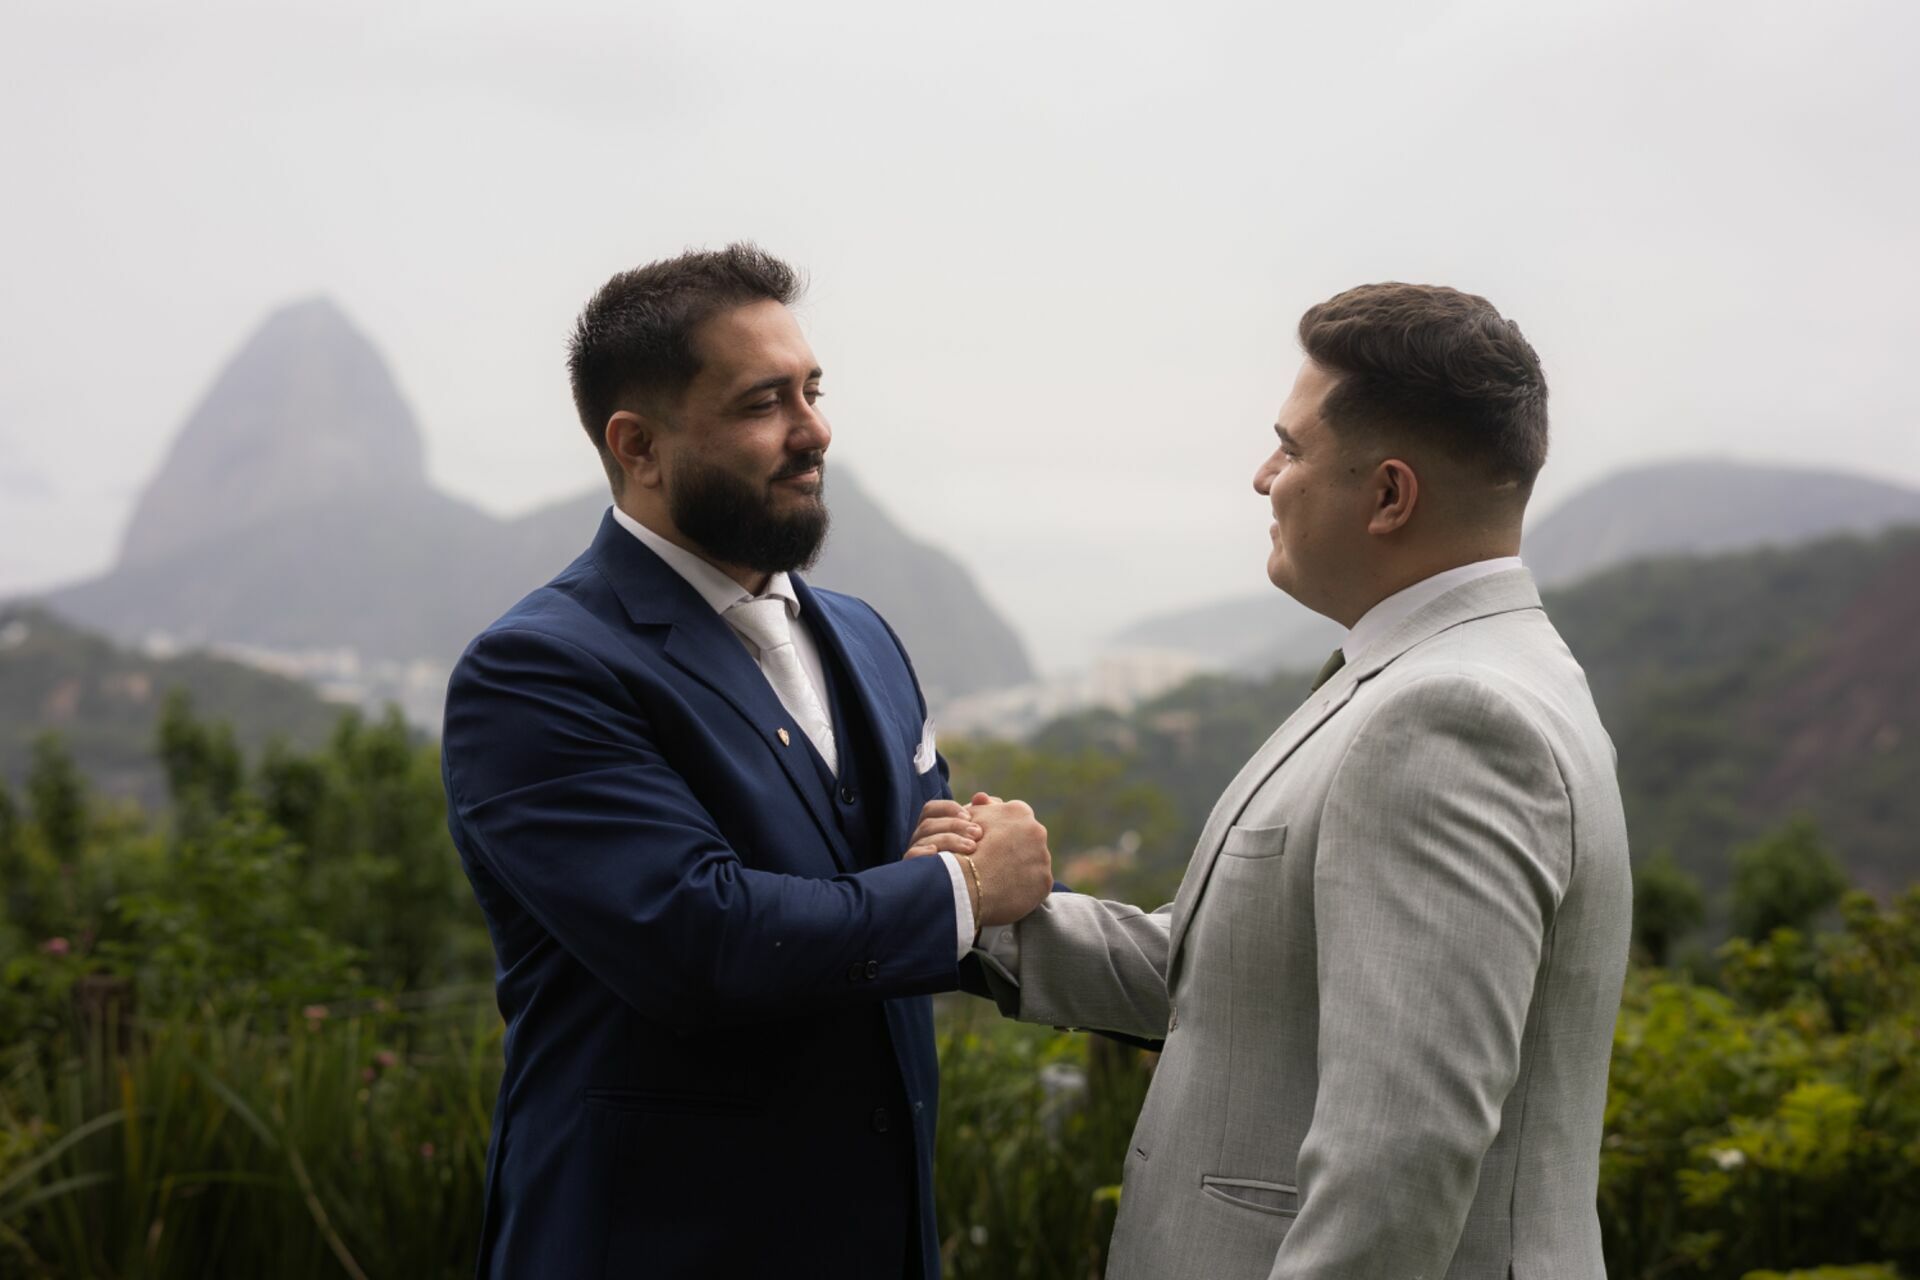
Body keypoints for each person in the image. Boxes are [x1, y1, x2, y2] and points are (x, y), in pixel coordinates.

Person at [964, 282, 1633, 1278]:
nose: (1262, 476)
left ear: (1389, 495)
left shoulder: (1446, 720)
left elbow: (1397, 1160)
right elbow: (1243, 979)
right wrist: (979, 908)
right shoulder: (1462, 672)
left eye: (1291, 448)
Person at [439, 243, 1053, 1278]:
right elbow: (703, 939)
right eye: (764, 402)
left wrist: (955, 867)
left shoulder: (864, 634)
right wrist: (959, 886)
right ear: (637, 444)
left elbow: (905, 871)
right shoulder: (537, 669)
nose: (814, 430)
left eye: (812, 389)